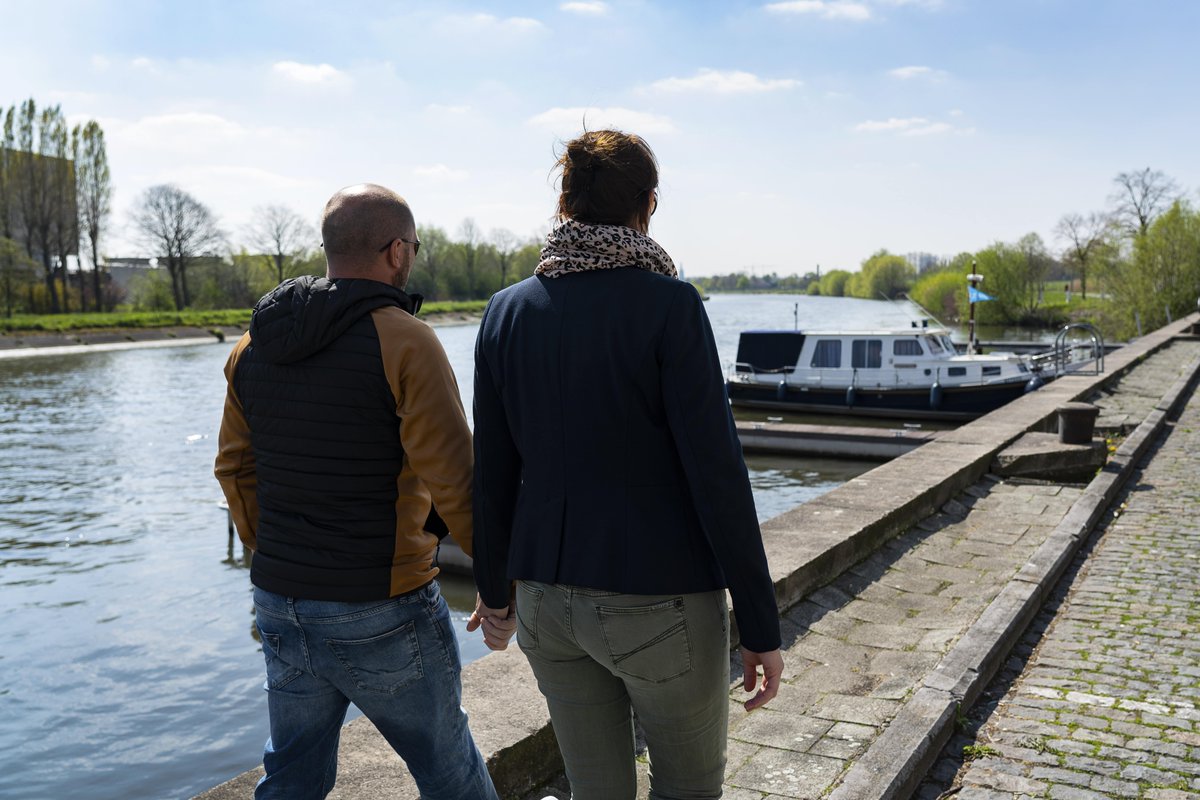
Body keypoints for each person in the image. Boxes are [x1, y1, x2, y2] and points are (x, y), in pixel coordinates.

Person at [471, 130, 784, 799]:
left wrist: (494, 592)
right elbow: (717, 476)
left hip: (546, 601)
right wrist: (760, 624)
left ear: (564, 202)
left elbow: (492, 473)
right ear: (648, 204)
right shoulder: (670, 305)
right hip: (658, 599)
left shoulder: (505, 312)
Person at [214, 183, 512, 800]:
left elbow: (234, 468)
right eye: (415, 248)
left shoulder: (253, 344)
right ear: (397, 251)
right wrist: (497, 583)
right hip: (383, 603)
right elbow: (455, 479)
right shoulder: (405, 339)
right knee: (450, 772)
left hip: (280, 600)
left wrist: (278, 555)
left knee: (291, 776)